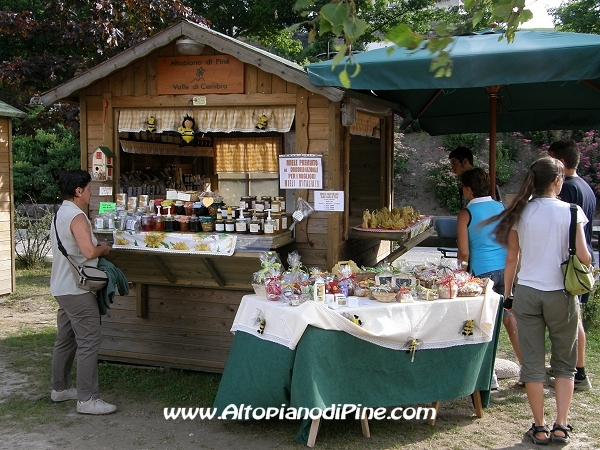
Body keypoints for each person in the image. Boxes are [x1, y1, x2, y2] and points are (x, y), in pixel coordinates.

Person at [491, 156, 590, 445]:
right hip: (562, 293)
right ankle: (561, 425)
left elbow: (512, 258)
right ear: (558, 181)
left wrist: (509, 293)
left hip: (528, 293)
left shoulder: (522, 211)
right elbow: (583, 256)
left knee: (532, 364)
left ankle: (539, 426)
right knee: (564, 363)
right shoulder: (572, 211)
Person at [50, 169, 117, 415]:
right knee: (89, 342)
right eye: (89, 189)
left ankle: (60, 388)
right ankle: (87, 399)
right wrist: (103, 248)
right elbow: (88, 252)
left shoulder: (60, 212)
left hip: (61, 286)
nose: (91, 192)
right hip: (77, 289)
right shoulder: (76, 216)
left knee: (65, 340)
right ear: (78, 191)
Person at [457, 169, 523, 382]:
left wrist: (460, 272)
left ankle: (489, 373)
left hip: (482, 273)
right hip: (506, 269)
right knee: (509, 318)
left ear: (468, 189)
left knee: (484, 322)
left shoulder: (466, 214)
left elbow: (464, 252)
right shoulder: (501, 207)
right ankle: (527, 367)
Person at [548, 140, 595, 391]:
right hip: (581, 261)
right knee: (572, 318)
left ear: (561, 164)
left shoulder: (567, 191)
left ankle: (579, 372)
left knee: (572, 320)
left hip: (571, 265)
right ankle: (571, 368)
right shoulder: (586, 187)